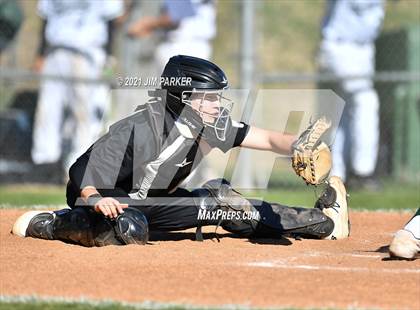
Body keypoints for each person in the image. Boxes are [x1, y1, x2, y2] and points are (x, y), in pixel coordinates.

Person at [13, 55, 350, 247]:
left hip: (158, 204)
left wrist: (297, 144)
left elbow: (263, 138)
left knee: (225, 206)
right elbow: (82, 168)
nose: (217, 104)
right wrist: (94, 197)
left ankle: (323, 222)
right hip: (107, 201)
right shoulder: (143, 127)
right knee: (127, 228)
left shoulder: (210, 125)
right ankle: (50, 223)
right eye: (208, 97)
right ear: (182, 97)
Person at [31, 0, 123, 180]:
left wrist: (109, 55)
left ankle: (79, 166)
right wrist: (40, 54)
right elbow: (45, 18)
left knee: (84, 111)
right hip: (55, 50)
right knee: (47, 109)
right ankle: (45, 163)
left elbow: (111, 21)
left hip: (87, 51)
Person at [318, 0, 385, 190]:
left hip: (364, 50)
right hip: (340, 46)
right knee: (366, 101)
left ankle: (337, 173)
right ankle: (363, 171)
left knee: (346, 112)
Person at [127, 0, 216, 73]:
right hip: (200, 47)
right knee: (195, 92)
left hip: (180, 46)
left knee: (175, 92)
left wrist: (148, 24)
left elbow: (172, 19)